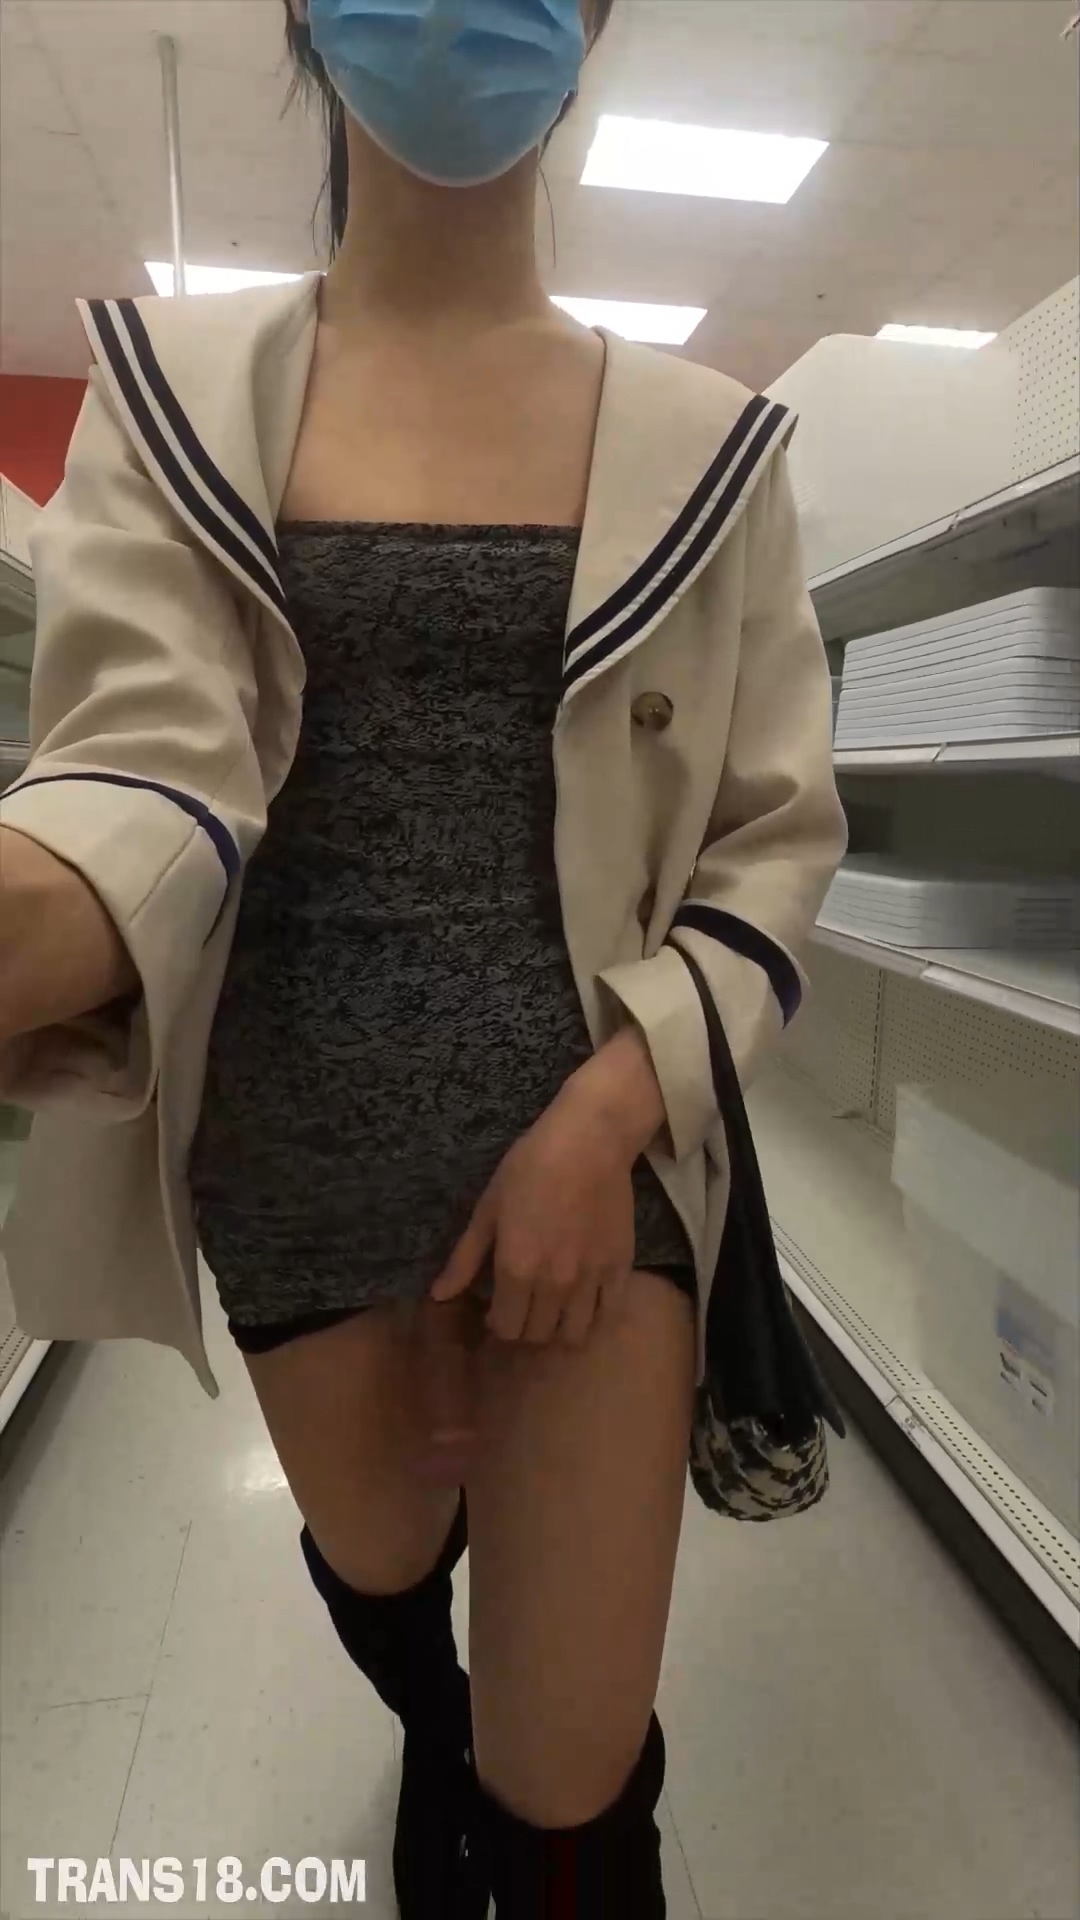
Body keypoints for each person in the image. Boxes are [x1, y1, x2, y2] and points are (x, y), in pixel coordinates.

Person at [0, 0, 846, 1912]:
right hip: (291, 1168)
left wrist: (607, 1114)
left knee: (573, 1786)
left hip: (597, 1176)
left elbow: (775, 842)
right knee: (383, 1566)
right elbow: (138, 767)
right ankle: (428, 1722)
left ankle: (512, 1800)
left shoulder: (712, 450)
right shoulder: (171, 394)